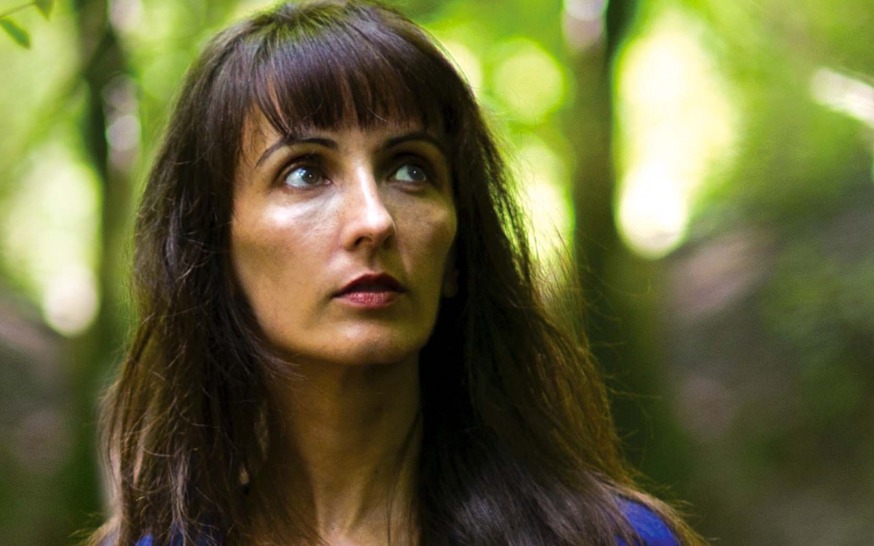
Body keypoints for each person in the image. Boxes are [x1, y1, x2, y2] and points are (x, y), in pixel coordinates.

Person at [89, 1, 705, 545]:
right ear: (213, 254)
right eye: (305, 172)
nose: (375, 219)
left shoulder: (615, 540)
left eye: (410, 169)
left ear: (457, 254)